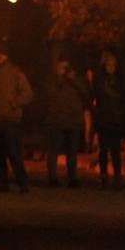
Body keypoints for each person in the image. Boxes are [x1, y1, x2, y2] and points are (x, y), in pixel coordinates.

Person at [0, 47, 33, 192]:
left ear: (2, 57)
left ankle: (23, 183)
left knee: (13, 153)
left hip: (9, 120)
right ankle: (2, 184)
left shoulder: (15, 73)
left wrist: (13, 104)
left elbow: (28, 94)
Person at [91, 49, 125, 189]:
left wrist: (122, 114)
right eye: (108, 64)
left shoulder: (120, 80)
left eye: (113, 64)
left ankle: (117, 177)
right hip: (103, 119)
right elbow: (95, 96)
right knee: (103, 150)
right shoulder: (99, 80)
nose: (111, 67)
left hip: (115, 119)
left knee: (115, 150)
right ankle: (104, 176)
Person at [45, 58, 87, 188]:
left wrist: (73, 80)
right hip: (57, 122)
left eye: (66, 67)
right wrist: (60, 79)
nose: (64, 70)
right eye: (61, 67)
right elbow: (49, 93)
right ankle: (52, 178)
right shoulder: (52, 80)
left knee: (72, 152)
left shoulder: (76, 80)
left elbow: (85, 93)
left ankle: (73, 178)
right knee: (54, 151)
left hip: (73, 121)